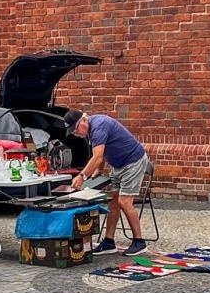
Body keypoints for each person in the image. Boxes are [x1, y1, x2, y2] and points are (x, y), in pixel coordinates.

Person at [63, 109, 151, 255]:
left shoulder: (99, 126)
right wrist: (99, 168)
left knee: (124, 202)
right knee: (114, 202)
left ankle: (139, 242)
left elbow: (97, 156)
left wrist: (82, 176)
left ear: (83, 121)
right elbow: (101, 152)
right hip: (118, 165)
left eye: (75, 129)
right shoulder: (92, 130)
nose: (75, 134)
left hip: (133, 161)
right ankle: (109, 242)